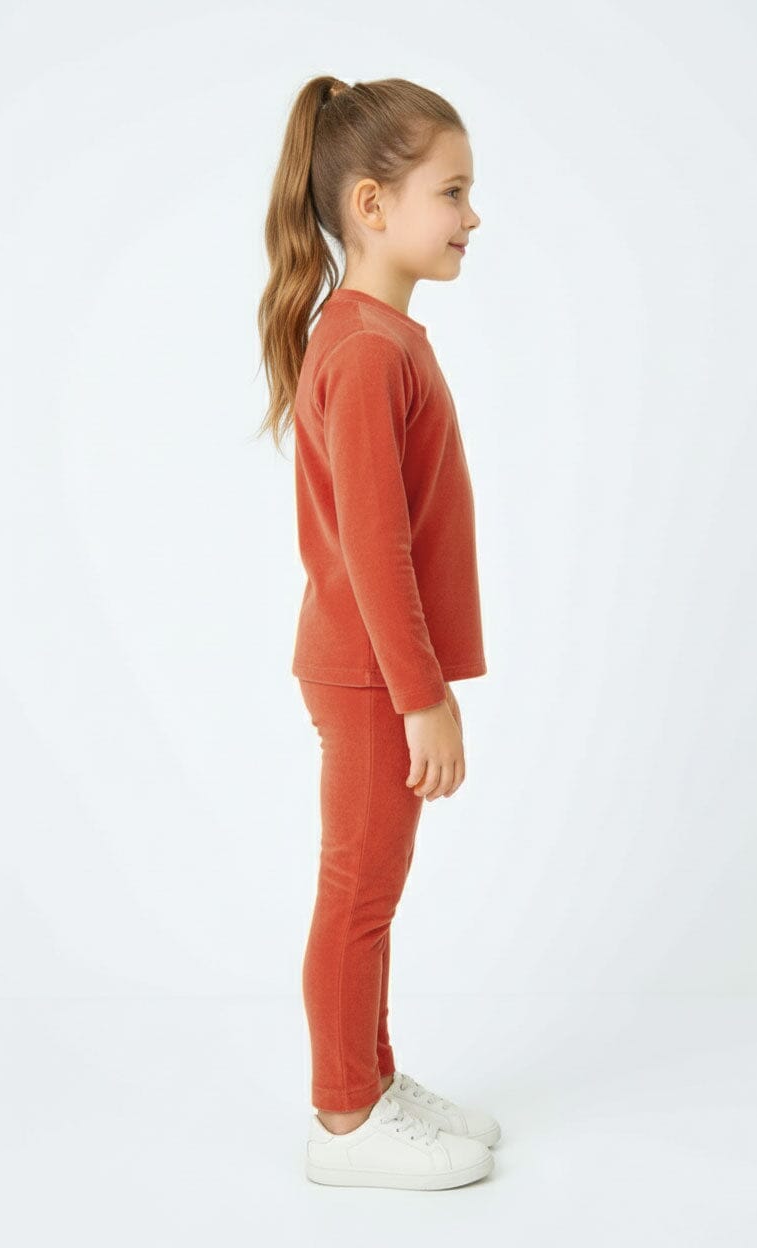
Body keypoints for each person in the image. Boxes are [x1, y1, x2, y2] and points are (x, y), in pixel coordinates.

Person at [256, 75, 500, 1190]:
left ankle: (371, 1076)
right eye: (452, 191)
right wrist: (422, 695)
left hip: (368, 668)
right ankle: (345, 1121)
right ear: (370, 204)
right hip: (367, 674)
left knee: (370, 891)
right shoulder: (363, 350)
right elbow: (373, 546)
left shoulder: (377, 337)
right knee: (358, 894)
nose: (471, 216)